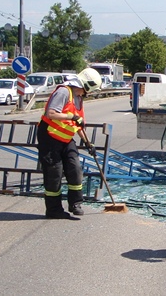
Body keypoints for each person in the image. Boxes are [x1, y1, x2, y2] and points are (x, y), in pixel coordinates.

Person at [37, 68, 102, 219]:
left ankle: (75, 203)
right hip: (50, 138)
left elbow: (78, 124)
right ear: (84, 86)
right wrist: (71, 116)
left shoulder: (78, 98)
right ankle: (53, 210)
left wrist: (88, 143)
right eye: (88, 91)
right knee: (55, 174)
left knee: (75, 169)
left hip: (66, 139)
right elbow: (51, 113)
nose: (87, 94)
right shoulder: (64, 92)